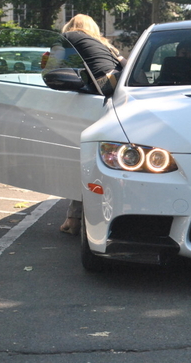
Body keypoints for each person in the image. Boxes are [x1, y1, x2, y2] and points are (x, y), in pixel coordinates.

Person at [59, 14, 126, 235]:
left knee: (86, 162)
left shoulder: (68, 38)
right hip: (123, 91)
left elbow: (54, 69)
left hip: (103, 90)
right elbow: (126, 64)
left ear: (71, 27)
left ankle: (75, 218)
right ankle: (76, 216)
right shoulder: (105, 45)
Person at [61, 14, 127, 96]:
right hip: (122, 78)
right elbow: (126, 63)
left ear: (70, 25)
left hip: (106, 82)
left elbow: (56, 59)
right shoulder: (104, 44)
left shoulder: (67, 36)